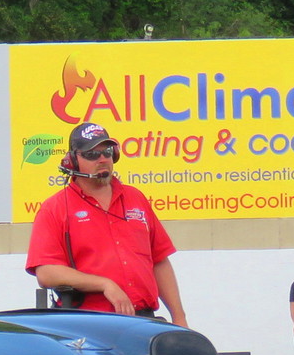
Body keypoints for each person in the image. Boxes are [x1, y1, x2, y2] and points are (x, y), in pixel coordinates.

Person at [25, 122, 187, 325]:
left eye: (107, 152)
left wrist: (179, 317)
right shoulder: (55, 207)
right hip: (90, 324)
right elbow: (47, 272)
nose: (102, 159)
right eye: (92, 154)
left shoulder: (135, 198)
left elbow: (160, 261)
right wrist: (104, 284)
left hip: (143, 321)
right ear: (73, 160)